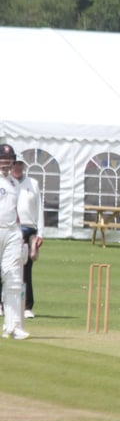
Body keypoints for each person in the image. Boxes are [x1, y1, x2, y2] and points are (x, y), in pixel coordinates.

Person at [0, 160, 43, 319]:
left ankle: (26, 306)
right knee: (5, 267)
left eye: (20, 165)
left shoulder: (33, 183)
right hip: (9, 229)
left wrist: (40, 233)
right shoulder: (7, 183)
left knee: (26, 270)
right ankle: (3, 305)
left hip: (28, 229)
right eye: (14, 165)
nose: (17, 167)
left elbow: (39, 208)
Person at [0, 143, 29, 339]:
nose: (5, 163)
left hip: (11, 231)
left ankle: (13, 326)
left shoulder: (14, 184)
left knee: (13, 277)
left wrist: (21, 235)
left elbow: (14, 211)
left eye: (8, 160)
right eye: (2, 159)